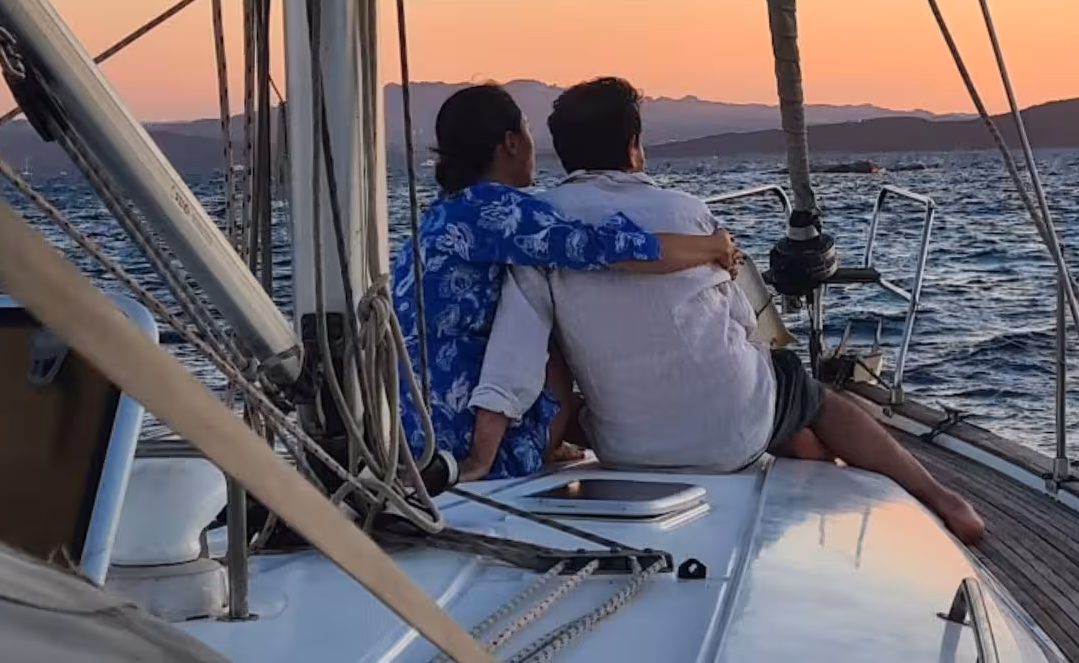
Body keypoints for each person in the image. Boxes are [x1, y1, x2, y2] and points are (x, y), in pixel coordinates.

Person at [466, 77, 985, 544]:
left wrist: (480, 458)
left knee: (584, 393)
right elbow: (741, 323)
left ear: (564, 154)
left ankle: (799, 450)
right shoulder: (685, 213)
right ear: (634, 147)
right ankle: (941, 497)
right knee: (813, 397)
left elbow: (518, 353)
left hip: (632, 449)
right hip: (735, 431)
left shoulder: (540, 231)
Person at [389, 83, 737, 482]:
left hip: (417, 433)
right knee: (549, 317)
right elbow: (618, 250)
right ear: (511, 143)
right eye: (527, 131)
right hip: (460, 438)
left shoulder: (443, 216)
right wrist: (713, 246)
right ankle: (518, 450)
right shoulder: (500, 211)